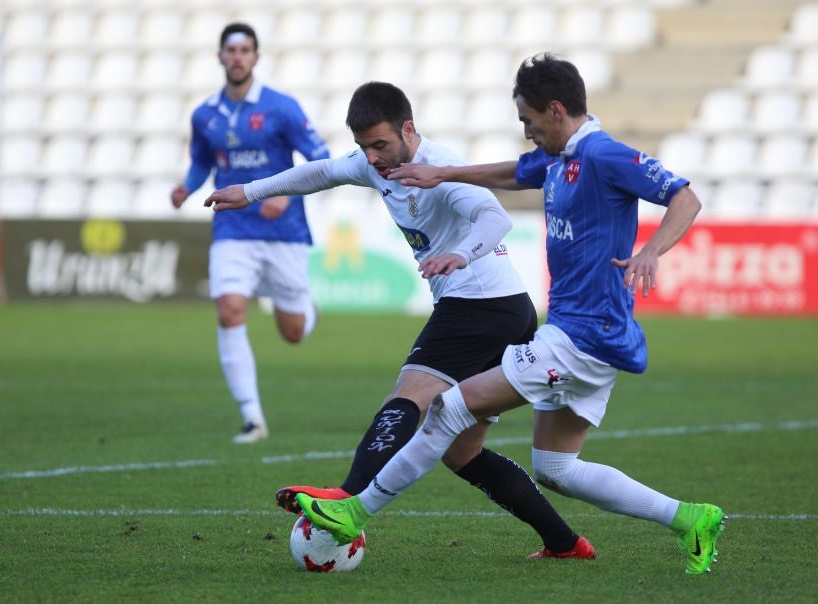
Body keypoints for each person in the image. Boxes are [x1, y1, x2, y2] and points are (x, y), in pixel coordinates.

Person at [296, 54, 726, 575]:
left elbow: (684, 196)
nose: (525, 131)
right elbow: (509, 173)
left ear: (556, 110)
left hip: (581, 338)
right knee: (557, 468)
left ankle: (353, 510)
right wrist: (444, 173)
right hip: (581, 336)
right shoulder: (558, 156)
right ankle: (690, 518)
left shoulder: (604, 154)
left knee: (446, 410)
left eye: (527, 120)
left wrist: (651, 250)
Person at [205, 81, 597, 559]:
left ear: (409, 129)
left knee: (409, 394)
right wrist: (249, 191)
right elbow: (320, 172)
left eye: (380, 145)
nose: (371, 158)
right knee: (462, 452)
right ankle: (564, 543)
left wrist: (460, 253)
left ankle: (346, 497)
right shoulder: (377, 164)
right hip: (505, 309)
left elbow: (495, 219)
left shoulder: (439, 167)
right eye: (363, 147)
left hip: (479, 303)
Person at [170, 23, 330, 443]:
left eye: (245, 50)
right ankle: (252, 418)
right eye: (231, 50)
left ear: (256, 58)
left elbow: (322, 159)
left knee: (293, 333)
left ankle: (305, 309)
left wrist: (289, 198)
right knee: (229, 310)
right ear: (220, 57)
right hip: (232, 225)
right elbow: (202, 161)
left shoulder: (283, 108)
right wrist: (187, 185)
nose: (238, 57)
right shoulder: (205, 114)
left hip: (284, 229)